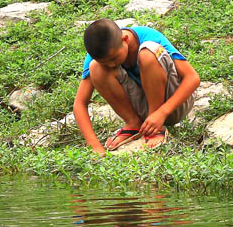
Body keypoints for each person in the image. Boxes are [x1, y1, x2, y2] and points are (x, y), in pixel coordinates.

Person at [73, 19, 200, 155]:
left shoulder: (149, 36)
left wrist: (161, 112)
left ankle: (155, 129)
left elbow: (193, 78)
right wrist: (95, 147)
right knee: (95, 68)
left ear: (125, 39)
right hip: (142, 108)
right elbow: (79, 104)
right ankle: (134, 123)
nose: (111, 65)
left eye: (114, 59)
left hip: (173, 104)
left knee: (148, 53)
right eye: (106, 63)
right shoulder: (99, 54)